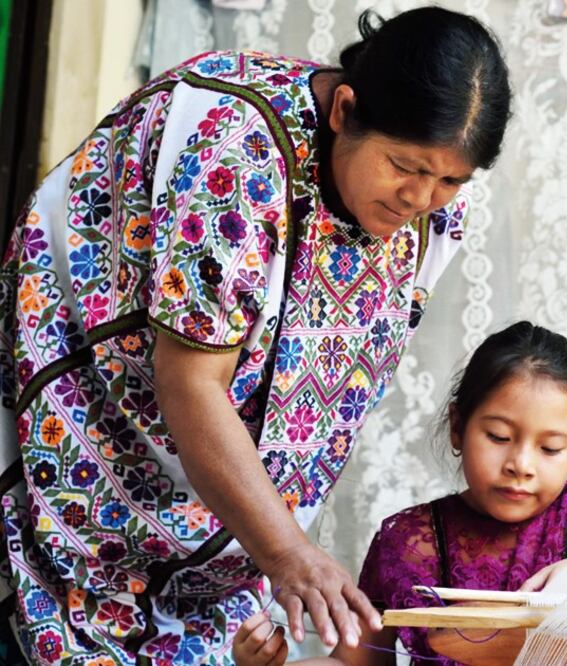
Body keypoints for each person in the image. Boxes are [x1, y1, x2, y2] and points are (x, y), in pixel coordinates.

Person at [0, 6, 511, 664]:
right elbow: (192, 381)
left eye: (449, 180)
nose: (421, 197)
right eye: (404, 166)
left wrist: (266, 560)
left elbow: (315, 394)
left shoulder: (431, 209)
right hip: (81, 479)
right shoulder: (234, 149)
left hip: (214, 541)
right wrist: (285, 553)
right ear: (343, 110)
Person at [232, 321, 567, 665]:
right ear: (458, 427)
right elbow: (359, 662)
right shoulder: (409, 541)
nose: (521, 465)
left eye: (550, 449)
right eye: (498, 436)